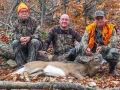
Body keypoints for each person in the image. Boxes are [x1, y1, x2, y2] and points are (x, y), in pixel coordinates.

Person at [71, 10, 120, 76]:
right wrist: (86, 48)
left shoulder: (111, 28)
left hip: (104, 52)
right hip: (92, 53)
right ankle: (82, 67)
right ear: (95, 19)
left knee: (114, 51)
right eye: (97, 18)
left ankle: (112, 69)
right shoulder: (89, 28)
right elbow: (83, 40)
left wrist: (103, 48)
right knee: (79, 46)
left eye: (101, 18)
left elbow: (113, 43)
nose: (100, 20)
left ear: (104, 18)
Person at [12, 2, 42, 68]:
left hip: (34, 44)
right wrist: (20, 38)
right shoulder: (15, 23)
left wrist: (30, 38)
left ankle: (30, 66)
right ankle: (21, 66)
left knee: (34, 41)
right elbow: (13, 34)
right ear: (18, 13)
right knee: (15, 42)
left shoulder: (34, 21)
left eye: (26, 11)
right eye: (22, 12)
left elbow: (39, 34)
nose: (24, 13)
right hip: (22, 44)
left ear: (28, 13)